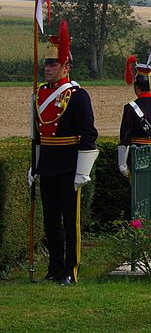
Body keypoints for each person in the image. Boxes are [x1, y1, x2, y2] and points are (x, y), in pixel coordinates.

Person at [28, 21, 99, 286]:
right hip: (47, 164)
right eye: (46, 65)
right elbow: (37, 136)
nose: (47, 69)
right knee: (50, 221)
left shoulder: (78, 96)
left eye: (53, 65)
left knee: (71, 222)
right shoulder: (39, 95)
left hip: (69, 164)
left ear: (66, 67)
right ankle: (54, 267)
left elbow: (89, 134)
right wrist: (33, 166)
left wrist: (83, 170)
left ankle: (71, 269)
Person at [117, 55, 151, 177]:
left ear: (137, 87)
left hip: (137, 158)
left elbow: (125, 138)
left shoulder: (130, 108)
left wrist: (122, 164)